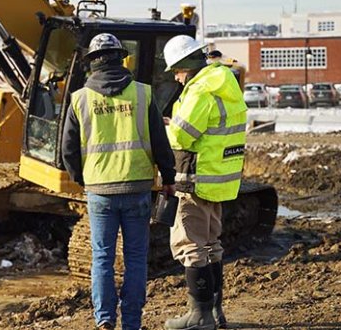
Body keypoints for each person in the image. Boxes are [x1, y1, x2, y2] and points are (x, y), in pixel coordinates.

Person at [62, 33, 177, 330]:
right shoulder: (142, 93)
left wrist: (82, 180)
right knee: (136, 257)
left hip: (100, 190)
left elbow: (68, 150)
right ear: (122, 58)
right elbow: (160, 142)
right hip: (137, 186)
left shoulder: (79, 99)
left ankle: (104, 320)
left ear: (91, 63)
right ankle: (132, 322)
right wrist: (168, 178)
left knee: (102, 257)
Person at [161, 35, 247, 330]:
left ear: (186, 64)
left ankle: (199, 316)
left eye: (176, 69)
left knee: (190, 245)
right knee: (211, 244)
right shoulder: (224, 83)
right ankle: (215, 312)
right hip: (218, 180)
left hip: (195, 181)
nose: (175, 76)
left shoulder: (200, 90)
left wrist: (167, 129)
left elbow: (182, 136)